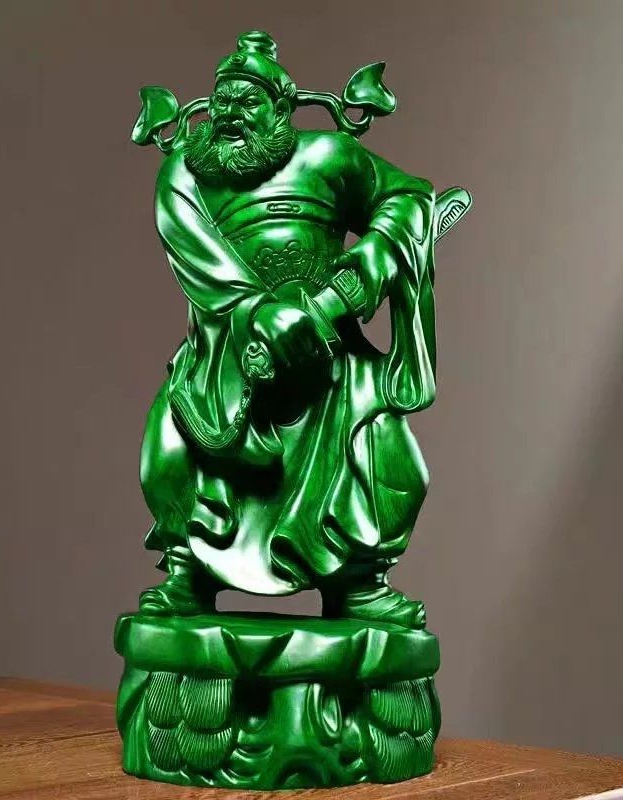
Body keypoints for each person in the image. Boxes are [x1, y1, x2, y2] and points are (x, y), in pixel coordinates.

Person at [138, 31, 440, 628]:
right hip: (225, 357)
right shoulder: (185, 174)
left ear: (281, 107)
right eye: (222, 101)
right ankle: (187, 572)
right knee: (169, 454)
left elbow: (411, 200)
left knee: (389, 461)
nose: (231, 113)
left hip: (330, 355)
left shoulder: (330, 157)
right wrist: (258, 311)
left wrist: (371, 261)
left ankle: (359, 582)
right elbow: (199, 261)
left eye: (248, 101)